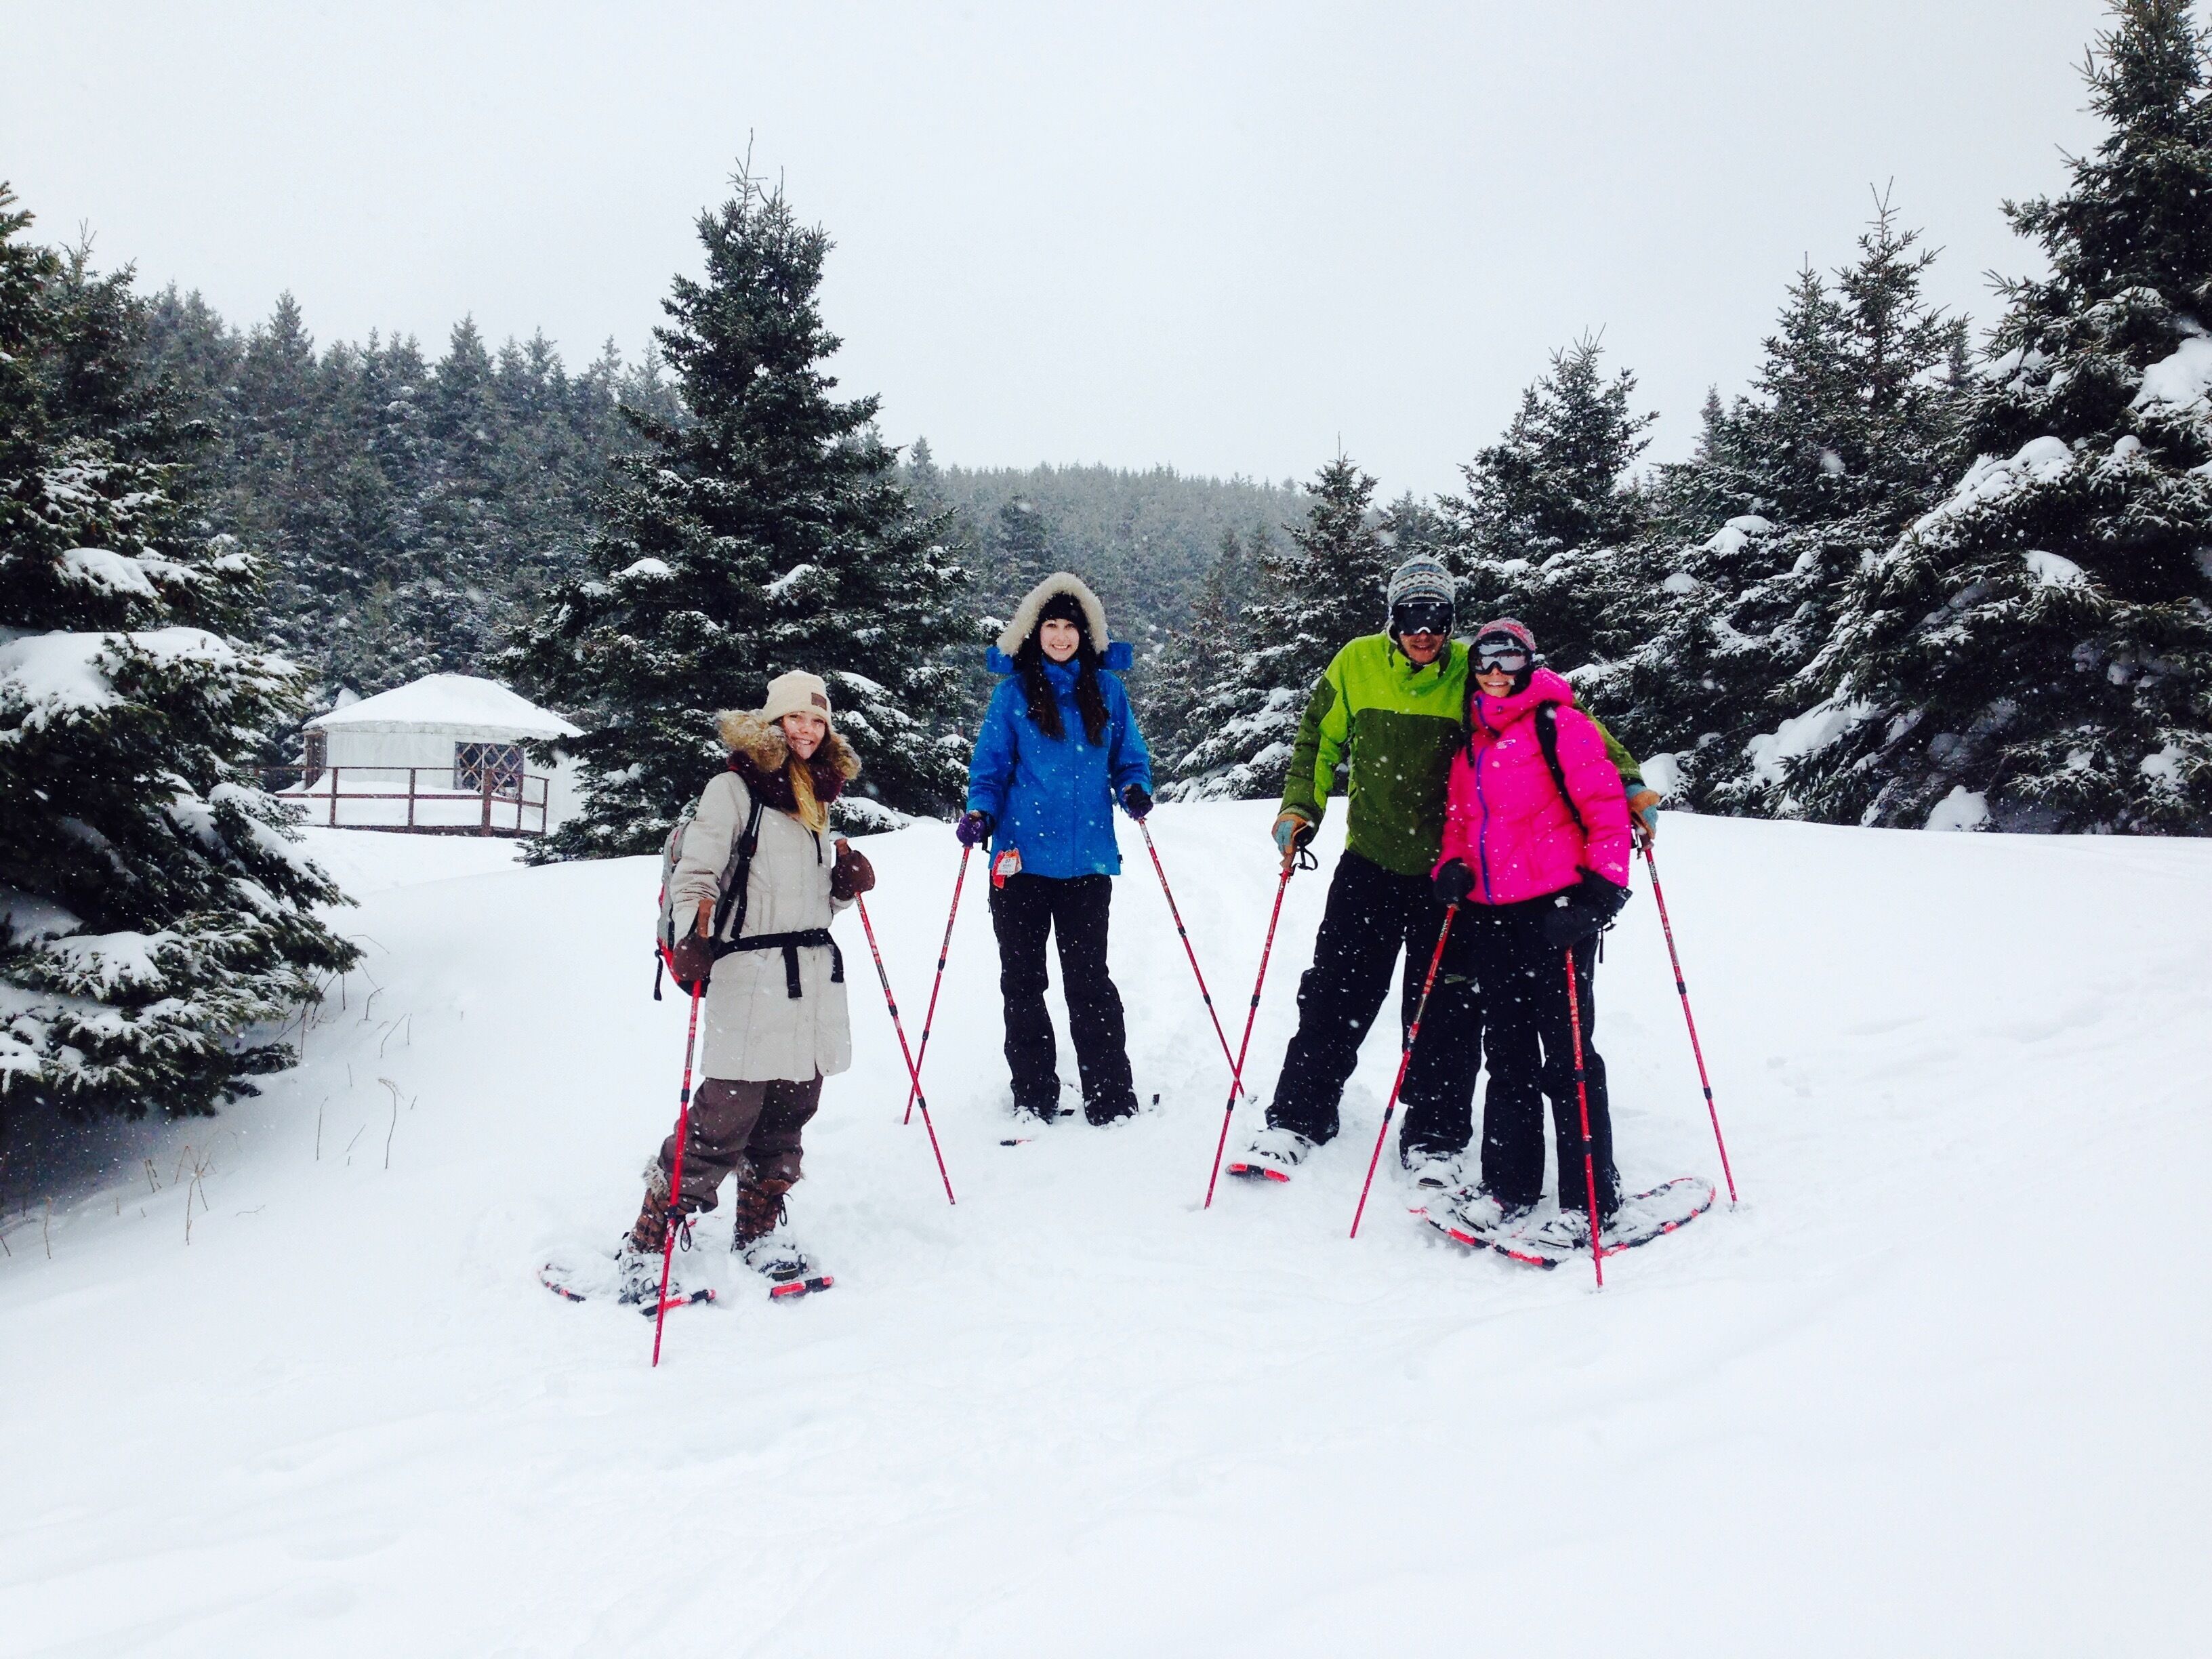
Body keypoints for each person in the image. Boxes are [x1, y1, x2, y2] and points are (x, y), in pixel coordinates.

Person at [1229, 555, 1654, 1188]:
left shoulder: (1473, 669)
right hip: (1370, 860)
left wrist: (1630, 786)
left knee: (1447, 1010)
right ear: (1392, 619)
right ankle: (1299, 1115)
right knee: (1335, 993)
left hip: (1454, 879)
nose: (1422, 632)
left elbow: (1567, 720)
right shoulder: (1357, 663)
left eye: (1434, 619)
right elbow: (1318, 739)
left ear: (1449, 622)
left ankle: (1435, 1135)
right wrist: (1300, 807)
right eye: (1409, 617)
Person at [617, 670, 875, 1299]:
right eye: (796, 719)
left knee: (791, 1109)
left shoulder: (818, 796)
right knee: (723, 1114)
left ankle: (757, 1230)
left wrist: (842, 891)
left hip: (811, 977)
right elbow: (698, 871)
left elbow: (805, 898)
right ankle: (647, 1243)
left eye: (818, 721)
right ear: (774, 722)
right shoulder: (733, 788)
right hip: (748, 973)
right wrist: (691, 933)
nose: (807, 731)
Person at [1429, 619, 1633, 1246]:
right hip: (1493, 916)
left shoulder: (1561, 725)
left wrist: (1601, 893)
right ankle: (1510, 1186)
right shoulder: (1472, 745)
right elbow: (1462, 826)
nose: (1497, 671)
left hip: (1557, 912)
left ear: (1528, 662)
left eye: (1509, 660)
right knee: (1509, 1055)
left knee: (1569, 1056)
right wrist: (1452, 868)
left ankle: (1590, 1199)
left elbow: (1606, 808)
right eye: (1487, 660)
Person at [959, 573, 1153, 1126]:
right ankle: (1033, 1094)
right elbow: (990, 768)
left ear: (1085, 634)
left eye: (1071, 627)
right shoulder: (1013, 694)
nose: (1061, 636)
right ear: (1034, 632)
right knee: (1023, 980)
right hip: (1018, 863)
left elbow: (1129, 758)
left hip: (1087, 863)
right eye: (1052, 626)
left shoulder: (1108, 691)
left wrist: (1135, 787)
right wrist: (980, 811)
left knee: (1089, 979)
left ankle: (1110, 1095)